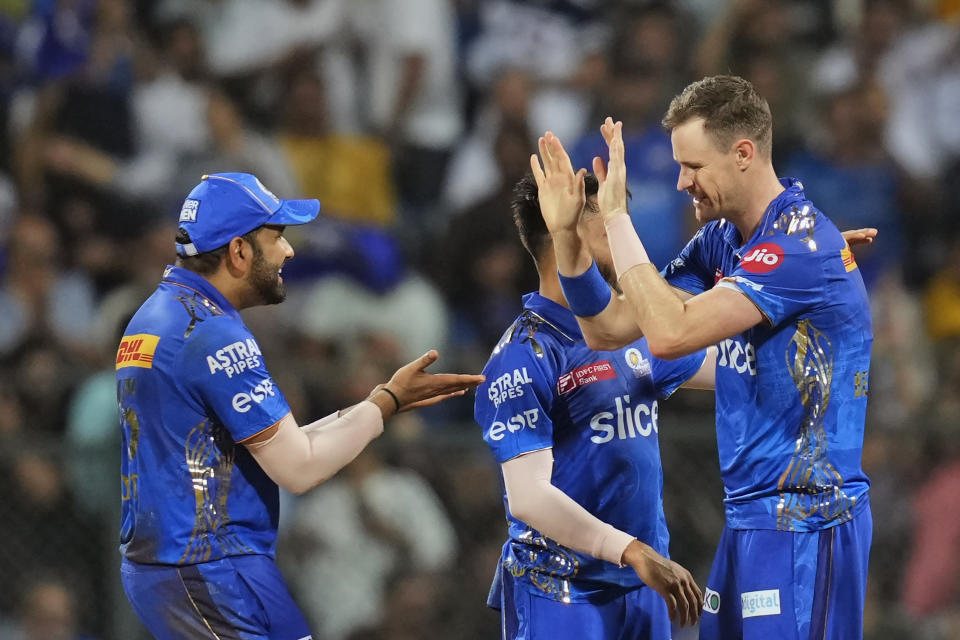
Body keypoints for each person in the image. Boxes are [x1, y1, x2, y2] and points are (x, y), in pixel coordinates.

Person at [538, 75, 873, 639]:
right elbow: (614, 328)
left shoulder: (798, 243)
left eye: (693, 166)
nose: (680, 182)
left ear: (743, 154)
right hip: (749, 518)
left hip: (808, 521)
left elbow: (670, 335)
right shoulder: (723, 241)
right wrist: (568, 239)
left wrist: (618, 218)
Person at [116, 172, 484, 639]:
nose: (289, 251)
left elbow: (277, 444)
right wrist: (387, 404)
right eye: (278, 237)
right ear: (239, 252)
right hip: (207, 567)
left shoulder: (156, 315)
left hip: (186, 565)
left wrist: (373, 402)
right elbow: (298, 469)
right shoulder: (214, 335)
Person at [475, 170, 713, 640]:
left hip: (643, 585)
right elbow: (529, 498)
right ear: (570, 230)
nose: (628, 243)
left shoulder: (633, 329)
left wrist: (784, 282)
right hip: (561, 590)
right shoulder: (522, 356)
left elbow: (735, 370)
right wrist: (631, 550)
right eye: (612, 225)